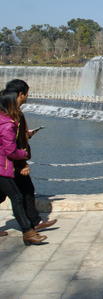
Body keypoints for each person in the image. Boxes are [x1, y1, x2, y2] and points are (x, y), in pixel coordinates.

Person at [5, 79, 57, 233]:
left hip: (11, 160)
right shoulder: (11, 114)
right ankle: (30, 229)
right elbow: (10, 144)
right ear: (20, 94)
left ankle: (34, 222)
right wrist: (22, 162)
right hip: (10, 162)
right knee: (20, 194)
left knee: (24, 190)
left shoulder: (11, 111)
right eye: (27, 94)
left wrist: (26, 135)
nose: (28, 97)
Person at [0, 90, 47, 246]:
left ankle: (30, 229)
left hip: (3, 165)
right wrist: (23, 154)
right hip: (2, 167)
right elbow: (10, 151)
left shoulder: (4, 121)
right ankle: (28, 232)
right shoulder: (7, 125)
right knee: (17, 197)